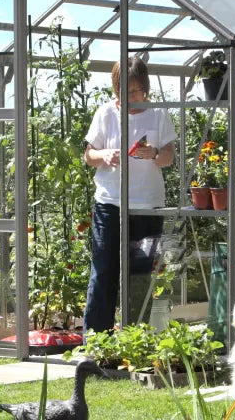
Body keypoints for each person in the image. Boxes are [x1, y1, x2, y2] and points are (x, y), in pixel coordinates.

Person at [81, 56, 178, 332]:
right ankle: (96, 341)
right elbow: (89, 155)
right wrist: (104, 154)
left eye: (134, 91)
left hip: (148, 206)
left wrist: (155, 153)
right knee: (104, 270)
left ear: (144, 88)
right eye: (121, 91)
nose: (127, 97)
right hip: (110, 203)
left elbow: (169, 157)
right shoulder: (106, 113)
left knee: (139, 274)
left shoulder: (158, 114)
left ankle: (135, 339)